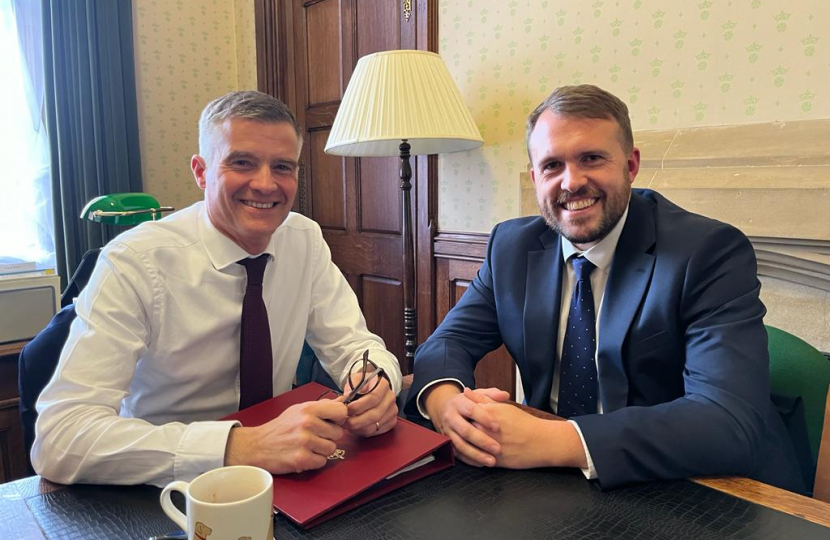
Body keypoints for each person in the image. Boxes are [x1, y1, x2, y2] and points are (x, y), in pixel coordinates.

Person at [405, 84, 804, 492]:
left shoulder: (707, 252)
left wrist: (551, 440)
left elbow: (728, 420)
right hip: (558, 482)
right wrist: (445, 402)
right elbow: (447, 342)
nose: (572, 182)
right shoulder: (511, 246)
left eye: (591, 158)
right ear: (534, 177)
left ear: (631, 165)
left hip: (694, 483)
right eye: (552, 166)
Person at [32, 91, 402, 487]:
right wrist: (239, 447)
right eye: (242, 162)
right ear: (201, 171)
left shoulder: (304, 239)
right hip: (164, 489)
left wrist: (375, 379)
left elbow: (352, 343)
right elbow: (59, 439)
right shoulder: (135, 261)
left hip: (287, 476)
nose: (265, 184)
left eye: (282, 167)